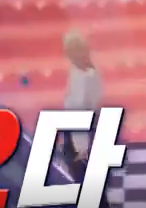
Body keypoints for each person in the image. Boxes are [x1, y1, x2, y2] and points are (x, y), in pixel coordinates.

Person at [60, 30, 110, 208]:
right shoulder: (85, 70)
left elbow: (81, 111)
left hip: (81, 133)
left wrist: (81, 147)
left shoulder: (85, 77)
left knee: (85, 178)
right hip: (81, 130)